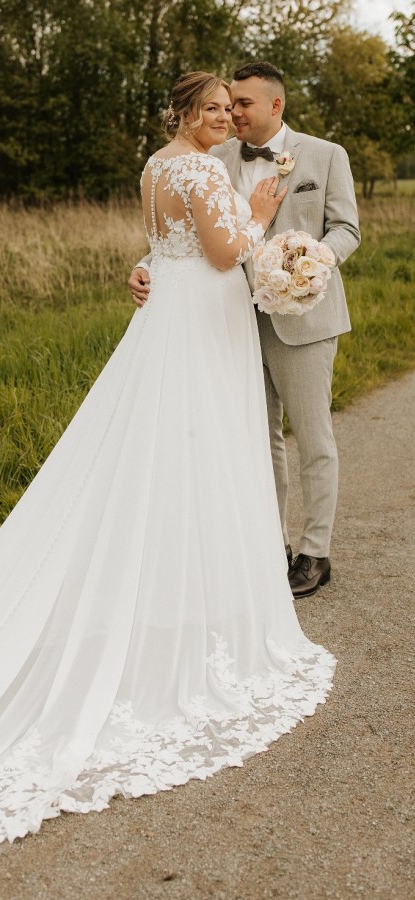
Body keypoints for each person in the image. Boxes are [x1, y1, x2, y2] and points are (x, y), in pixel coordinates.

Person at [0, 72, 335, 846]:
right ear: (188, 116)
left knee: (179, 447)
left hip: (179, 313)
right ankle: (188, 605)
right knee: (198, 447)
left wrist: (161, 262)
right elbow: (225, 255)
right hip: (201, 318)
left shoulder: (158, 165)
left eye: (233, 107)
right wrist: (259, 218)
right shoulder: (197, 166)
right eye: (215, 108)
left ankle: (191, 587)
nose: (227, 116)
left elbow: (172, 245)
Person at [129, 62, 361, 599]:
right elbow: (194, 232)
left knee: (312, 437)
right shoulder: (214, 157)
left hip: (304, 315)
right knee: (257, 439)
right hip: (230, 320)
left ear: (275, 106)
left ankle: (314, 553)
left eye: (242, 104)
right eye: (226, 104)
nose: (232, 113)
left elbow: (346, 227)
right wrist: (146, 263)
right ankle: (268, 544)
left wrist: (310, 263)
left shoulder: (325, 155)